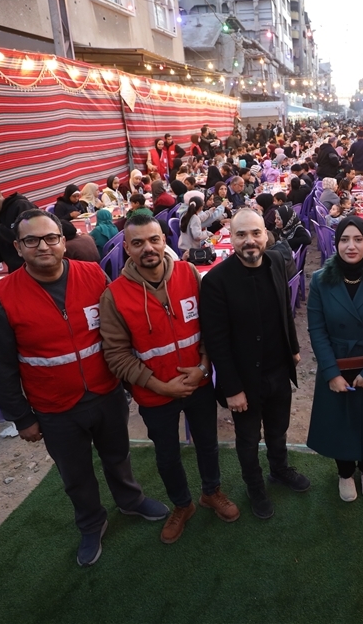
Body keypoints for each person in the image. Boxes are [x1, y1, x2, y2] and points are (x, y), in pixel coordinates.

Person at [0, 209, 167, 566]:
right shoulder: (2, 297)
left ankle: (130, 501)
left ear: (63, 242)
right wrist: (22, 418)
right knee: (75, 472)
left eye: (51, 238)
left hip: (107, 392)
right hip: (54, 407)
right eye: (32, 240)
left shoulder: (93, 274)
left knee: (118, 455)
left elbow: (117, 331)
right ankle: (91, 522)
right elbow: (1, 366)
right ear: (18, 248)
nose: (43, 246)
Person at [100, 215, 239, 544]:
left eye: (153, 240)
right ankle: (182, 504)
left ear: (165, 240)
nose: (148, 248)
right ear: (127, 248)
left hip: (199, 383)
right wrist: (161, 386)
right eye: (138, 243)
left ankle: (211, 492)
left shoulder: (189, 274)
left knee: (207, 443)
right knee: (167, 455)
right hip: (154, 394)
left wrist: (204, 367)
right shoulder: (114, 295)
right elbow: (116, 355)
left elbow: (210, 327)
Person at [199, 209, 308, 519]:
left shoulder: (275, 262)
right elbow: (217, 341)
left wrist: (294, 348)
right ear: (230, 239)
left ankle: (280, 469)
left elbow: (285, 308)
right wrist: (232, 388)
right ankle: (255, 487)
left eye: (255, 233)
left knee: (278, 430)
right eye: (241, 235)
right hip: (245, 380)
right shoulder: (217, 281)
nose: (250, 241)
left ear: (266, 235)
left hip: (278, 370)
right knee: (248, 440)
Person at [307, 217, 363, 501]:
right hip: (336, 362)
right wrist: (331, 373)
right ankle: (345, 472)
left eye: (358, 239)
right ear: (336, 243)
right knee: (340, 422)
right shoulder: (320, 280)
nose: (351, 246)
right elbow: (317, 330)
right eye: (345, 239)